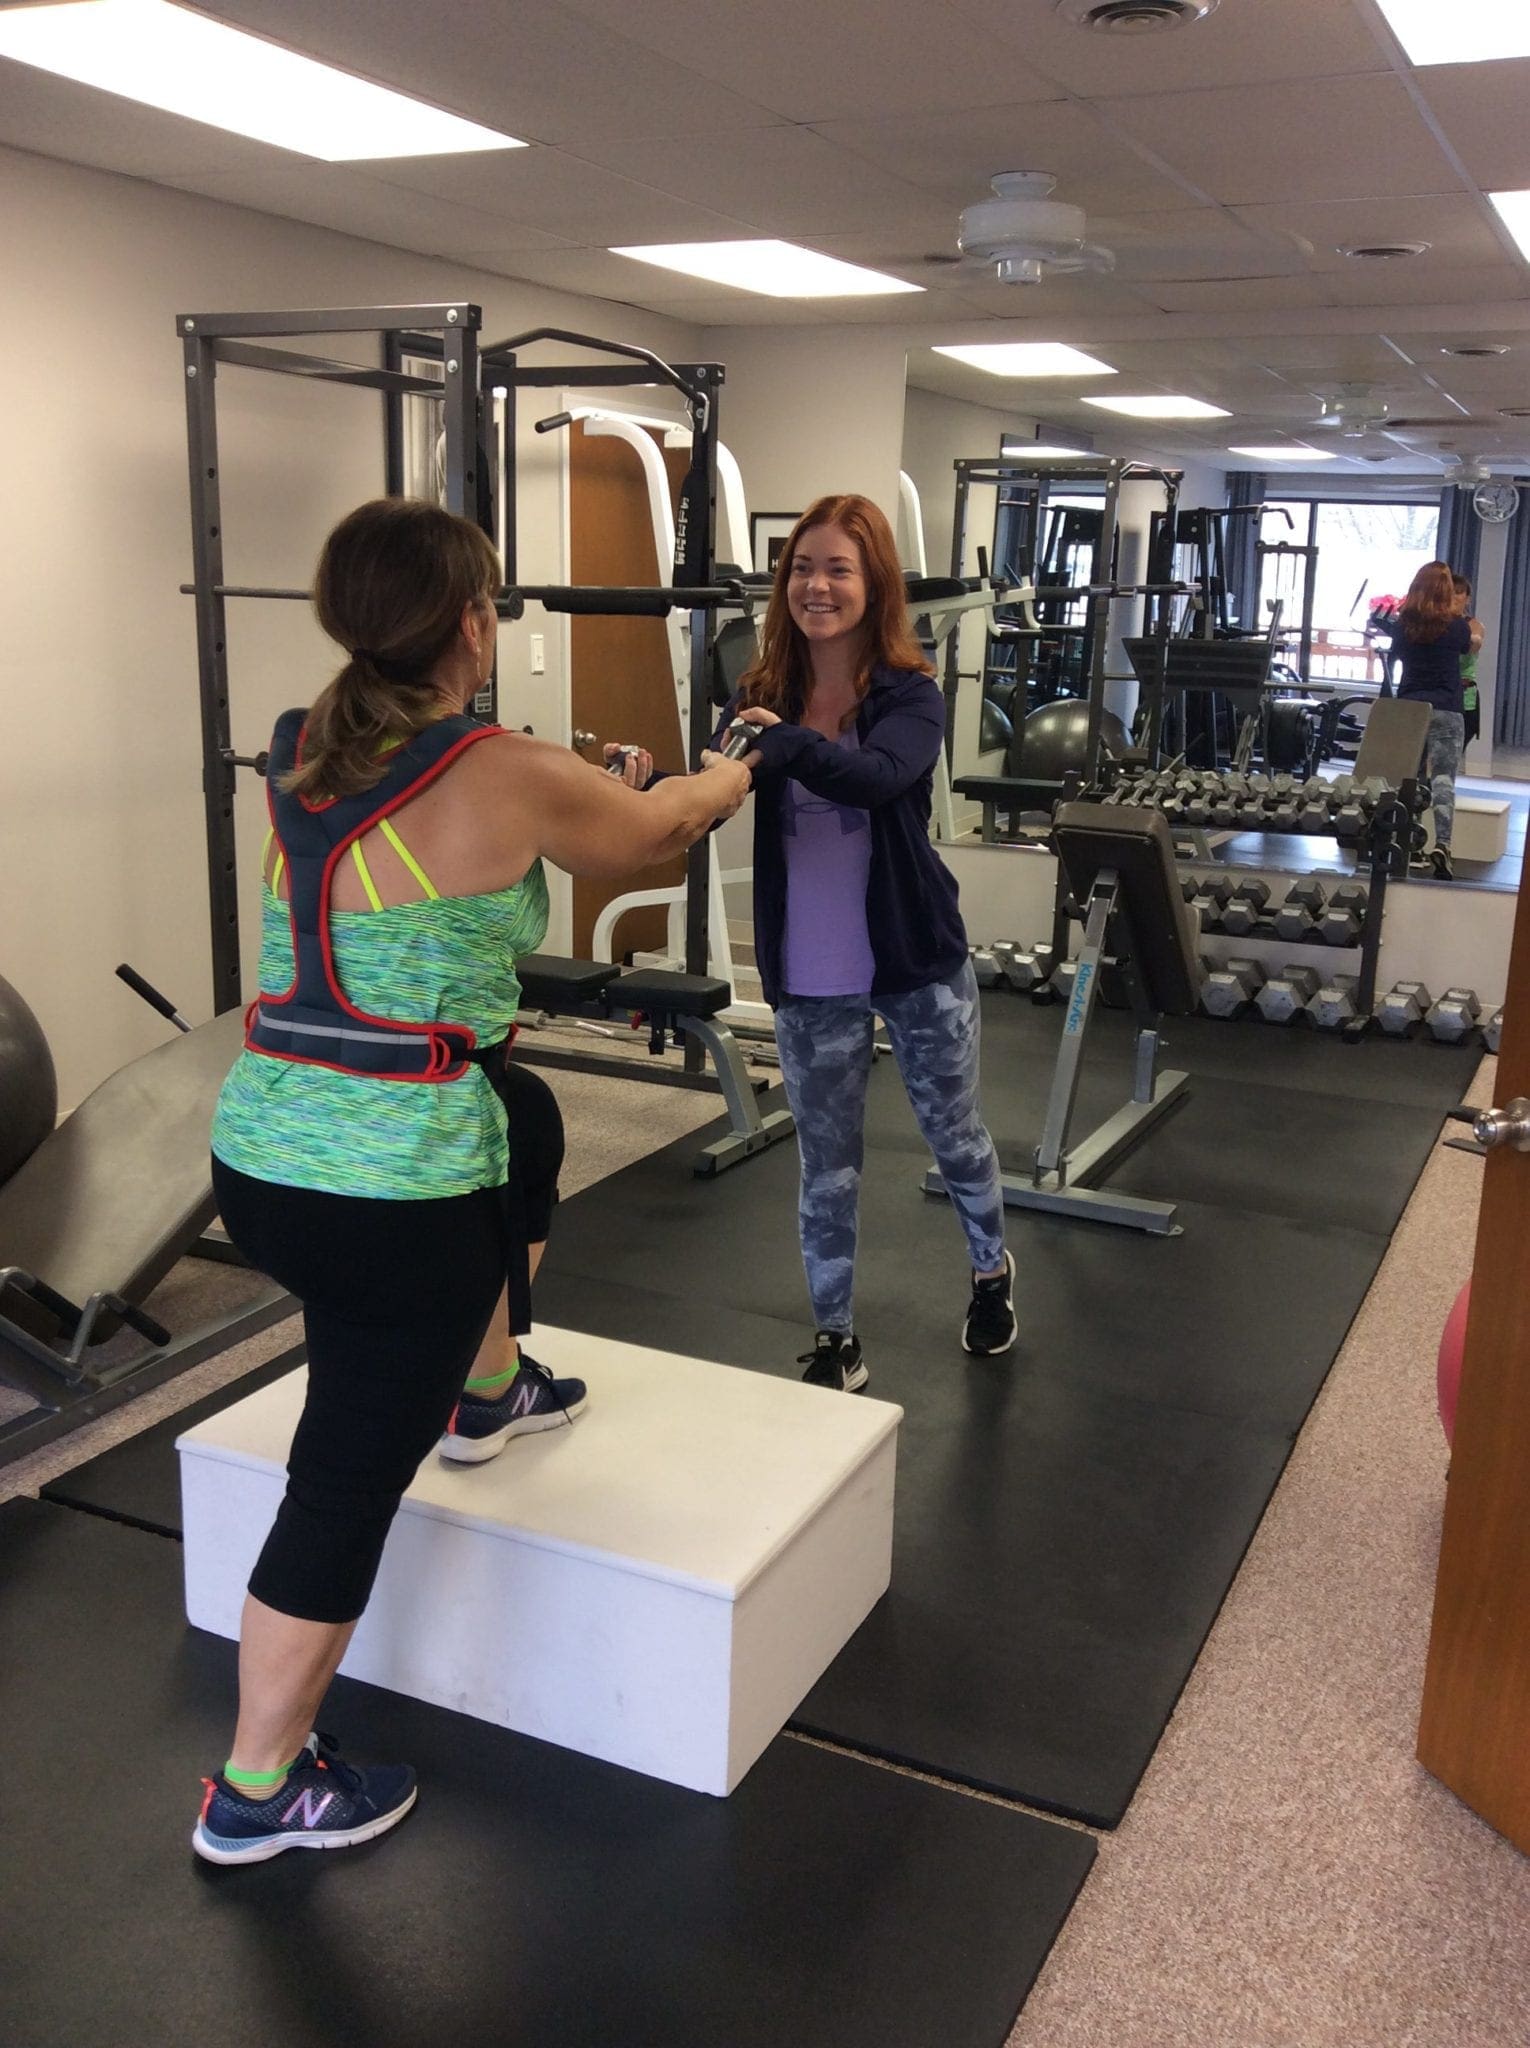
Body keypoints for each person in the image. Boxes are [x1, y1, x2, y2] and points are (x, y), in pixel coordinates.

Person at [193, 497, 750, 1864]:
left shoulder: (305, 744)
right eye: (490, 603)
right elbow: (653, 835)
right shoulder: (503, 769)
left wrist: (585, 776)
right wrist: (728, 769)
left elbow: (510, 802)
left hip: (263, 1156)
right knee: (340, 1483)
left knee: (530, 1117)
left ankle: (486, 1386)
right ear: (469, 623)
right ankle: (258, 1788)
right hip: (391, 1194)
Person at [720, 493, 1014, 1393]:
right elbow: (719, 784)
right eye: (803, 568)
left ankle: (991, 1271)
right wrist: (654, 783)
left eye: (838, 569)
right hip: (810, 967)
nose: (817, 585)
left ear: (873, 583)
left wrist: (784, 746)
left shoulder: (910, 695)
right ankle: (836, 1338)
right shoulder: (761, 695)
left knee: (954, 1136)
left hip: (914, 954)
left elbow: (877, 777)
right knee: (828, 1167)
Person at [1389, 560, 1482, 880]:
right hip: (1447, 708)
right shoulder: (1457, 627)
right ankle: (1443, 844)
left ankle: (1408, 844)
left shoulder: (1403, 626)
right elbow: (1468, 647)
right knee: (1444, 780)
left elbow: (1396, 655)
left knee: (1410, 780)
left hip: (1410, 709)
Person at [1452, 571, 1482, 754]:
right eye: (1449, 592)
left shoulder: (1474, 626)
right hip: (1441, 696)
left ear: (1468, 599)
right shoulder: (1433, 625)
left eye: (1458, 592)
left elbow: (1472, 646)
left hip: (1465, 697)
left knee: (1453, 752)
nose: (1453, 597)